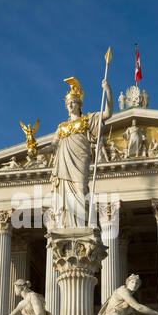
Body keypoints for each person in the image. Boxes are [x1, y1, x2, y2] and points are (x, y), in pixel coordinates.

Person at [40, 77, 113, 227]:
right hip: (63, 167)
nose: (69, 105)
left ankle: (81, 225)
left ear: (79, 103)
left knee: (81, 192)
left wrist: (108, 91)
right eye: (67, 103)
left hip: (79, 163)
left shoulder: (87, 120)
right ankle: (67, 225)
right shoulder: (61, 127)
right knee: (64, 199)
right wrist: (37, 151)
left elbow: (107, 113)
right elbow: (53, 146)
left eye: (72, 102)